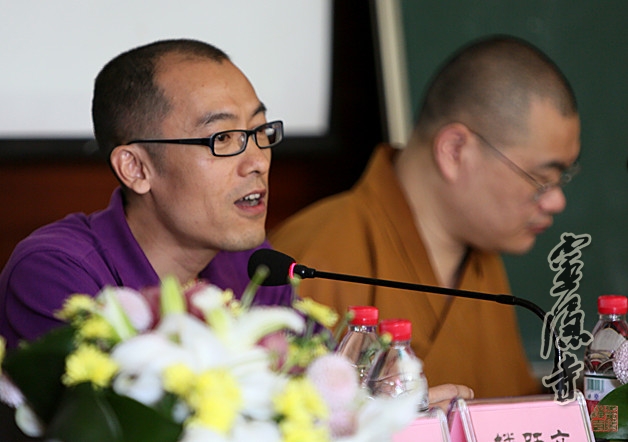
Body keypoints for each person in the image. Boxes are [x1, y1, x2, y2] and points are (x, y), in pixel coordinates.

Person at [0, 38, 471, 411]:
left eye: (260, 131)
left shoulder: (255, 268)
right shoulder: (55, 274)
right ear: (136, 168)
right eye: (223, 137)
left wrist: (382, 415)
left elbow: (315, 404)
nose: (258, 161)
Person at [270, 35, 581, 398]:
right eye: (541, 179)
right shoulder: (312, 258)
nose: (556, 201)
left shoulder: (482, 257)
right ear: (455, 151)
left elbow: (509, 403)